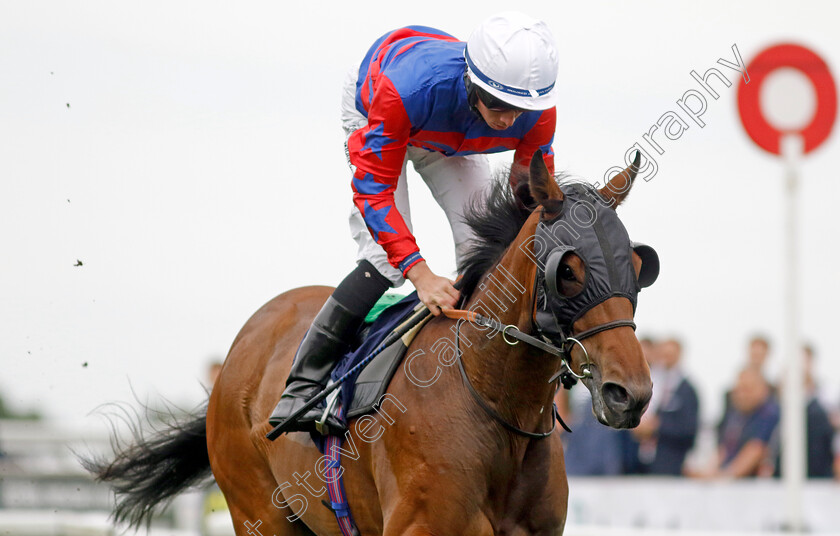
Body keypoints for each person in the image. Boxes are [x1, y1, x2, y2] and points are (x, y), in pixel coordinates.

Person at [269, 12, 559, 433]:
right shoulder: (405, 92)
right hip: (384, 108)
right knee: (385, 262)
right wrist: (420, 275)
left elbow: (527, 200)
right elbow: (374, 193)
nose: (508, 119)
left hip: (446, 128)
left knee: (491, 252)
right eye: (498, 104)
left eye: (520, 109)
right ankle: (302, 384)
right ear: (474, 81)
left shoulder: (537, 111)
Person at [630, 338, 699, 475]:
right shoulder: (650, 384)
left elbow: (689, 429)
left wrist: (657, 427)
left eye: (670, 355)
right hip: (639, 461)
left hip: (669, 464)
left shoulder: (687, 390)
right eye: (663, 354)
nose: (666, 359)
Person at [700, 367, 779, 478]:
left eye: (747, 389)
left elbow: (756, 449)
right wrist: (708, 472)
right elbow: (723, 448)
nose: (741, 395)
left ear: (763, 389)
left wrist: (724, 476)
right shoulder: (735, 413)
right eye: (738, 390)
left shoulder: (768, 413)